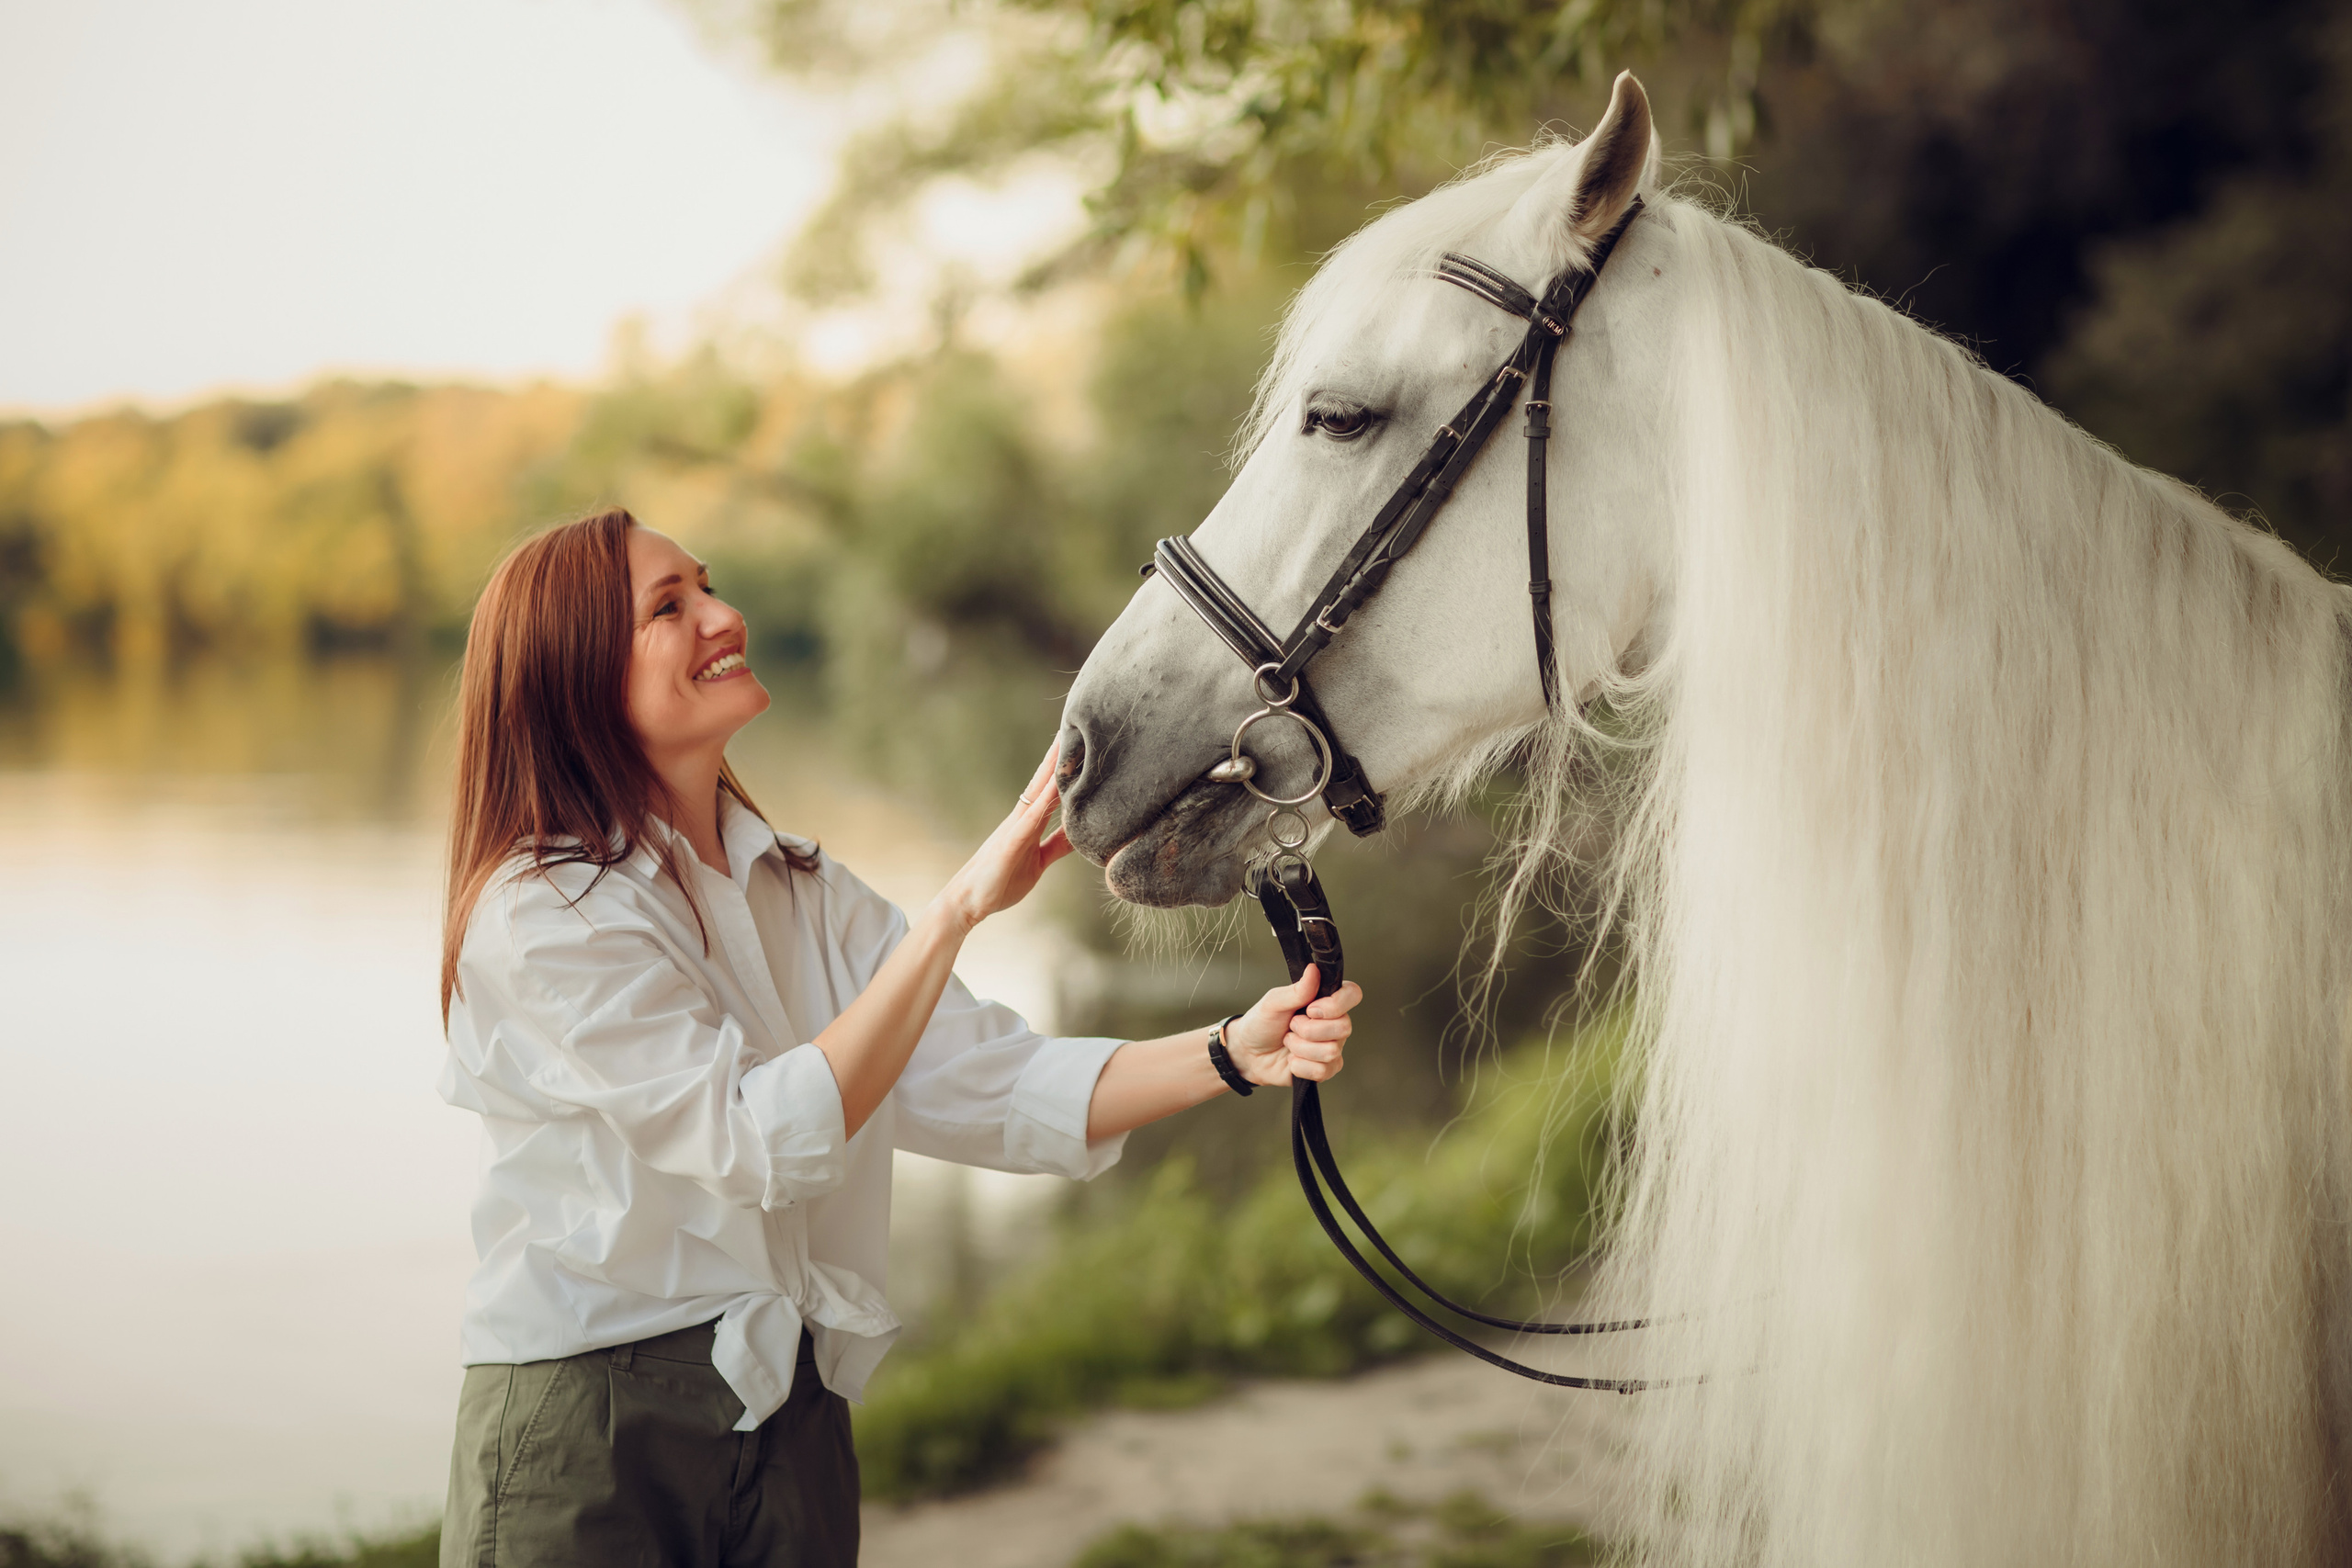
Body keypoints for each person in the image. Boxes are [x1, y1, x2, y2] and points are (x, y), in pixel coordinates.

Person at [434, 507, 1360, 1567]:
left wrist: (1230, 1052)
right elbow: (752, 1144)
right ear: (573, 676)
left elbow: (992, 1084)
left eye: (708, 584)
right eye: (669, 606)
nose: (724, 615)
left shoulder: (804, 888)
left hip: (791, 1417)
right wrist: (957, 910)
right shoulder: (543, 914)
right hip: (587, 1436)